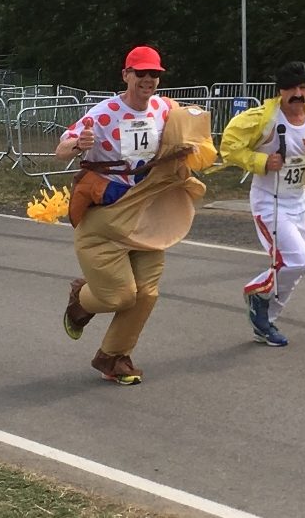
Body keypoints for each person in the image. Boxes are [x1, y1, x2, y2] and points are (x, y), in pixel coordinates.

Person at [55, 45, 212, 384]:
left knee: (147, 293)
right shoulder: (104, 113)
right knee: (120, 296)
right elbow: (61, 148)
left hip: (148, 213)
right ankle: (81, 302)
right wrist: (79, 144)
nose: (148, 79)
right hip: (107, 219)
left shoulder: (163, 108)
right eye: (141, 73)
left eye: (154, 73)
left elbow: (193, 129)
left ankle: (113, 357)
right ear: (126, 75)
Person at [219, 61, 305, 347]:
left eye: (303, 88)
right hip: (269, 202)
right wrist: (261, 161)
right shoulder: (263, 118)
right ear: (280, 91)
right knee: (298, 261)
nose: (298, 94)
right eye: (291, 89)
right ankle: (257, 292)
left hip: (298, 200)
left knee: (297, 268)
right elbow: (229, 146)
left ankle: (266, 320)